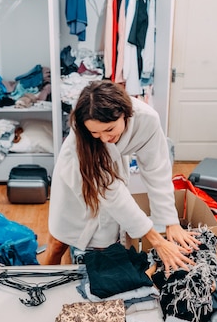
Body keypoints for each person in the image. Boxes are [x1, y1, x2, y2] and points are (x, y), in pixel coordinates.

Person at [42, 80, 199, 274]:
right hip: (78, 173)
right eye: (95, 133)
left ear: (125, 113)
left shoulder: (147, 119)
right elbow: (110, 192)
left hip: (111, 170)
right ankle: (43, 279)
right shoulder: (82, 140)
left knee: (103, 242)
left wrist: (171, 222)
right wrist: (157, 241)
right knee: (58, 241)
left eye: (109, 129)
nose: (105, 139)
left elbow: (157, 168)